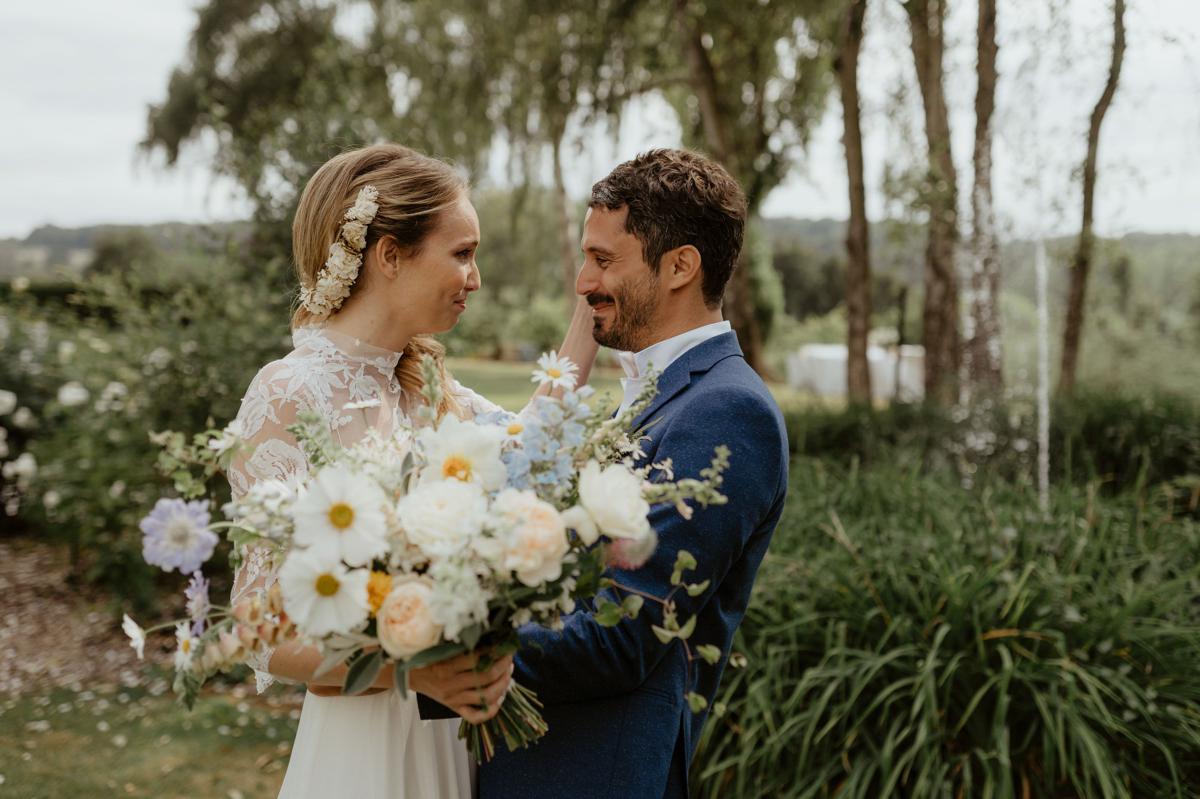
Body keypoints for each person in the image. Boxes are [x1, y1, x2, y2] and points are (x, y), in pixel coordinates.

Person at [228, 143, 598, 799]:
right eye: (461, 253)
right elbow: (260, 630)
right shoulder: (288, 393)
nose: (475, 277)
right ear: (389, 255)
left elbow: (533, 444)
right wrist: (411, 668)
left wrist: (591, 307)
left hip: (448, 741)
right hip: (363, 749)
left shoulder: (430, 385)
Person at [479, 149, 790, 798]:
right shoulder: (649, 397)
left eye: (604, 259)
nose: (583, 282)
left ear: (680, 266)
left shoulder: (727, 411)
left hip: (594, 775)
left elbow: (619, 636)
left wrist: (441, 624)